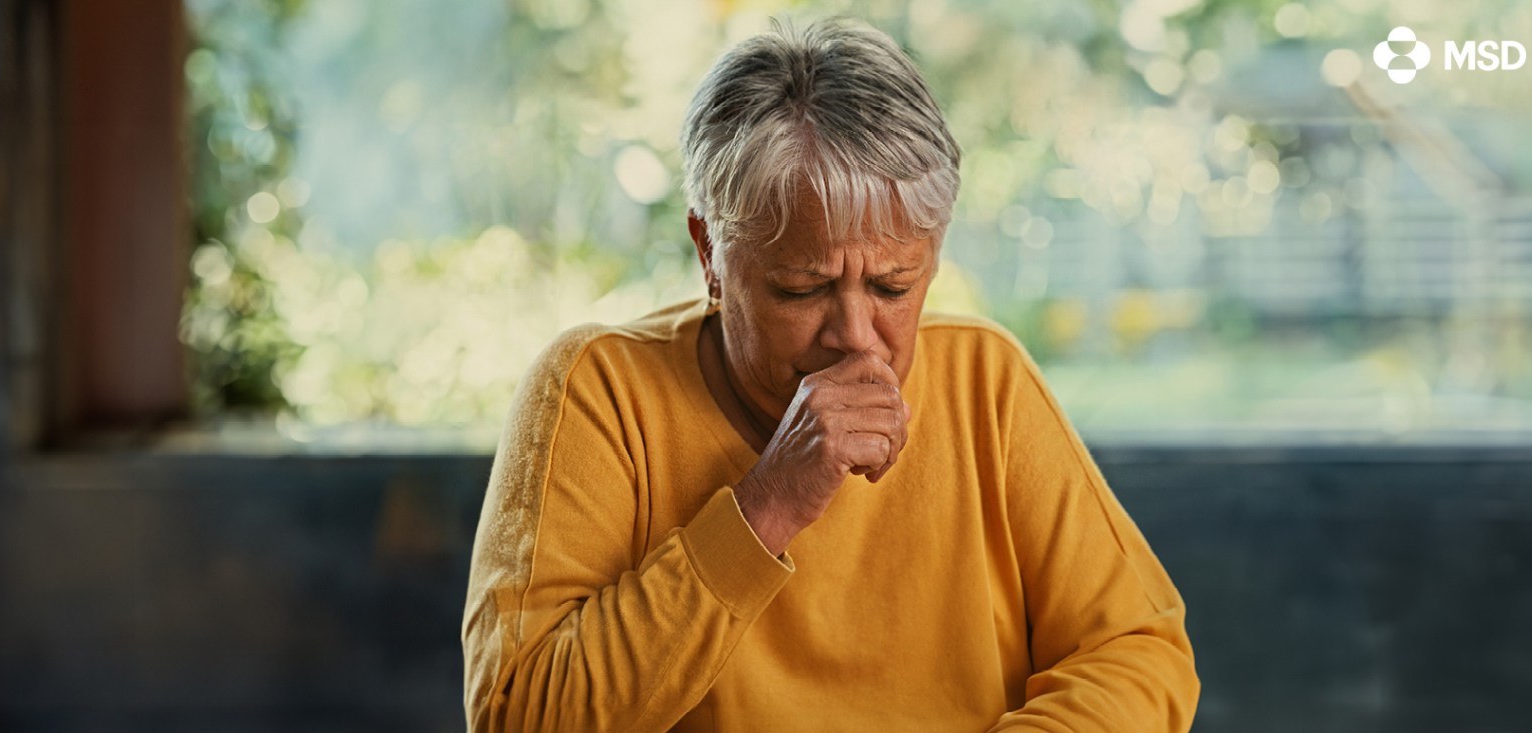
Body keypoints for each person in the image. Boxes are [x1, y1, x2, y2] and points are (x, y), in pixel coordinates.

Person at [462, 18, 1197, 731]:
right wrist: (766, 507)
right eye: (802, 289)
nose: (855, 335)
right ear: (710, 253)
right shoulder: (598, 391)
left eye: (891, 286)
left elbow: (1140, 652)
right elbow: (517, 717)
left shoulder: (986, 379)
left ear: (935, 254)